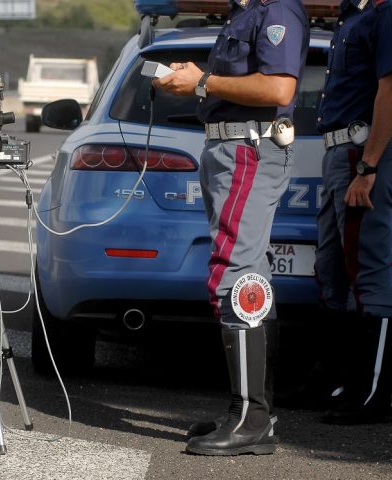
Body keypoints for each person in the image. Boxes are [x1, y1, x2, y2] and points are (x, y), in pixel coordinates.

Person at [152, 0, 309, 456]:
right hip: (228, 148)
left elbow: (279, 88)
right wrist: (198, 79)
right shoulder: (244, 12)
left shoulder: (277, 9)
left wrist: (200, 80)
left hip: (248, 148)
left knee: (235, 274)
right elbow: (238, 84)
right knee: (248, 272)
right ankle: (251, 414)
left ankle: (251, 419)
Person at [312, 0, 392, 424]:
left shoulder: (391, 12)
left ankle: (375, 394)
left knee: (368, 272)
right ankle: (332, 384)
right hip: (340, 152)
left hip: (364, 153)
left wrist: (368, 166)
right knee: (331, 270)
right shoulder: (353, 13)